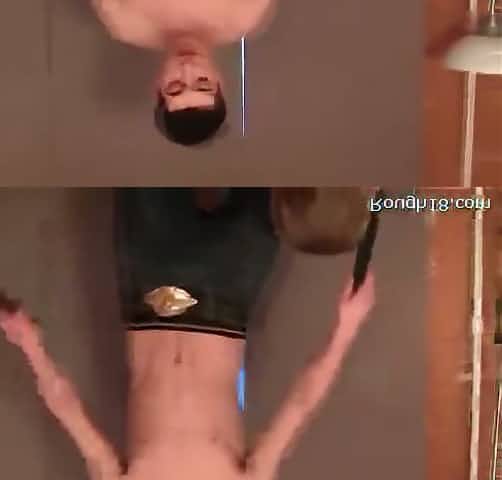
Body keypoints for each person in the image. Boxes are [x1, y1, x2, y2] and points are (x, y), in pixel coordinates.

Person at [0, 188, 376, 480]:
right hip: (227, 292)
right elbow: (300, 406)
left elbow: (69, 412)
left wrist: (30, 345)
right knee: (278, 168)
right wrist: (347, 328)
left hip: (149, 287)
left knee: (149, 145)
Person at [90, 0, 277, 146]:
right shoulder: (244, 15)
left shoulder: (124, 22)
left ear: (158, 86)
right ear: (219, 80)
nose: (188, 68)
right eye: (203, 82)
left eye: (175, 86)